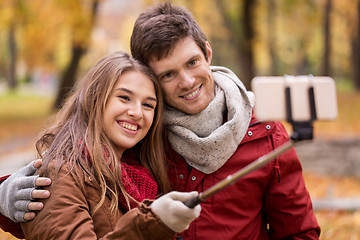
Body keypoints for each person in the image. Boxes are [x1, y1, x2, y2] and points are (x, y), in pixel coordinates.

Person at [0, 2, 320, 239]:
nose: (186, 81)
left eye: (192, 62)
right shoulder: (142, 136)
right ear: (149, 78)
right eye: (168, 74)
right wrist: (5, 195)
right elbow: (68, 196)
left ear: (207, 53)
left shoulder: (266, 132)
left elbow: (298, 231)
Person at [0, 51, 201, 239]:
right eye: (124, 97)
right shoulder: (60, 174)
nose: (137, 112)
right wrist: (153, 224)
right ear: (95, 98)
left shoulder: (143, 177)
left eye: (148, 105)